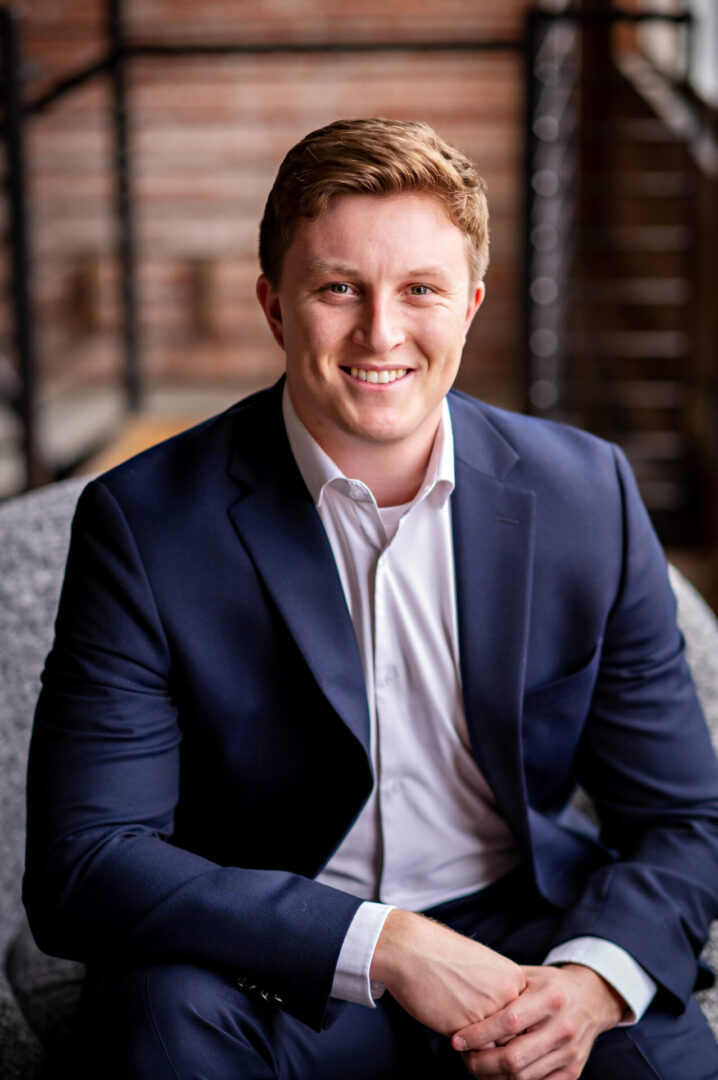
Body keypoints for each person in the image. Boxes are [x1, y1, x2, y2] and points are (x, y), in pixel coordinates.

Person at [24, 117, 718, 1079]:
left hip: (524, 938)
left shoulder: (586, 494)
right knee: (159, 1025)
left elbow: (682, 818)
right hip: (270, 954)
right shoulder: (143, 524)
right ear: (275, 307)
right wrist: (382, 942)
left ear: (471, 307)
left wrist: (596, 979)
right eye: (338, 288)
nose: (381, 333)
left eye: (421, 290)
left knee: (660, 1059)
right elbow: (86, 859)